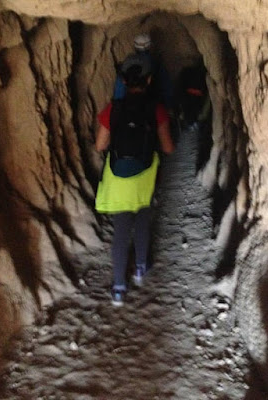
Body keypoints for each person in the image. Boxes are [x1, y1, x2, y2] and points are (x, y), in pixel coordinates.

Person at [95, 53, 175, 306]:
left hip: (118, 176)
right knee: (142, 219)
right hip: (144, 175)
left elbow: (100, 145)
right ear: (149, 80)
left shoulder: (113, 109)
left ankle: (119, 287)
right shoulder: (156, 109)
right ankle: (140, 267)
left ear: (123, 81)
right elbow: (168, 148)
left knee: (121, 229)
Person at [113, 33, 174, 113]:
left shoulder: (127, 65)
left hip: (127, 110)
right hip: (153, 108)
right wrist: (168, 108)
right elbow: (167, 88)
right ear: (149, 46)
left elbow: (119, 91)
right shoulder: (156, 64)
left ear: (135, 47)